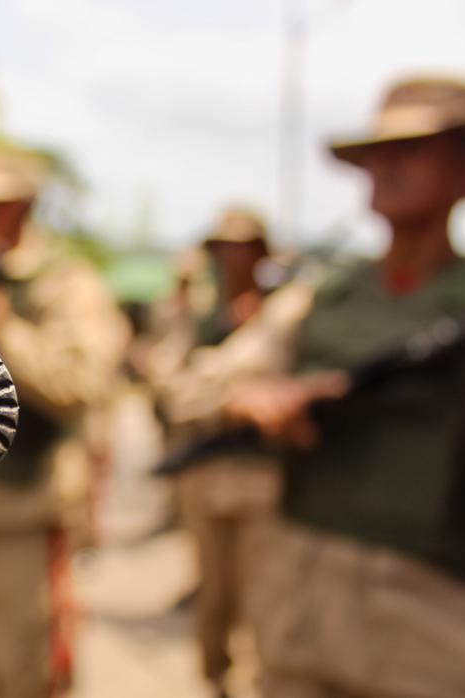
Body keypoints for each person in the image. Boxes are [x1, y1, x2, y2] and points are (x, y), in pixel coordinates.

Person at [171, 77, 465, 698]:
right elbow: (192, 388)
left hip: (438, 629)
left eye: (412, 150)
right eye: (377, 152)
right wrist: (247, 401)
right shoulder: (321, 297)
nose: (385, 167)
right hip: (301, 611)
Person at [0, 143, 130, 698]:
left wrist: (3, 335)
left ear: (23, 208)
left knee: (27, 680)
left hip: (23, 520)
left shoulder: (66, 285)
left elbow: (83, 387)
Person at [156, 208, 282, 696]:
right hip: (205, 470)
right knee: (213, 594)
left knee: (259, 595)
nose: (234, 256)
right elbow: (170, 382)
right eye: (225, 246)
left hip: (260, 473)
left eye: (244, 245)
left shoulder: (280, 310)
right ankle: (218, 679)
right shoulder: (202, 314)